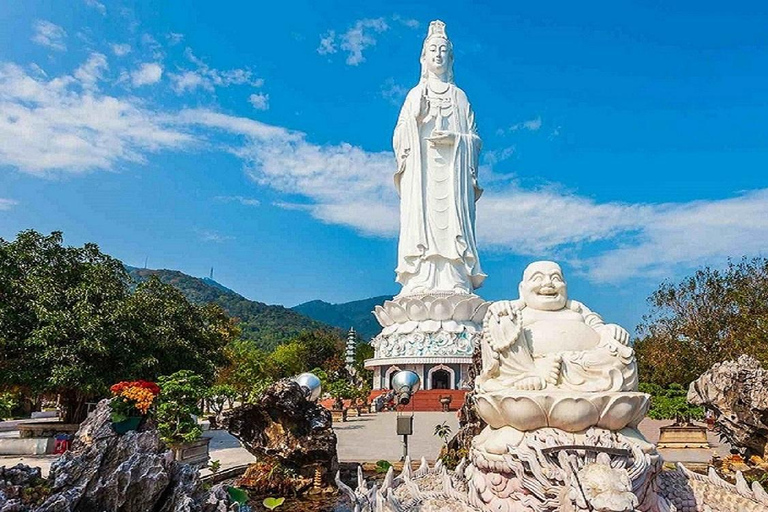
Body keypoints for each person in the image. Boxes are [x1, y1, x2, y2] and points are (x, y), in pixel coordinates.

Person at [393, 20, 486, 296]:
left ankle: (455, 277)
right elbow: (399, 138)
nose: (438, 54)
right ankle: (421, 277)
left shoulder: (460, 98)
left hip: (453, 177)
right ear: (423, 56)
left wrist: (456, 141)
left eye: (443, 50)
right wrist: (415, 119)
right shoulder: (414, 95)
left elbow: (476, 140)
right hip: (423, 177)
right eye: (433, 49)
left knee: (453, 226)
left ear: (451, 57)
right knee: (421, 223)